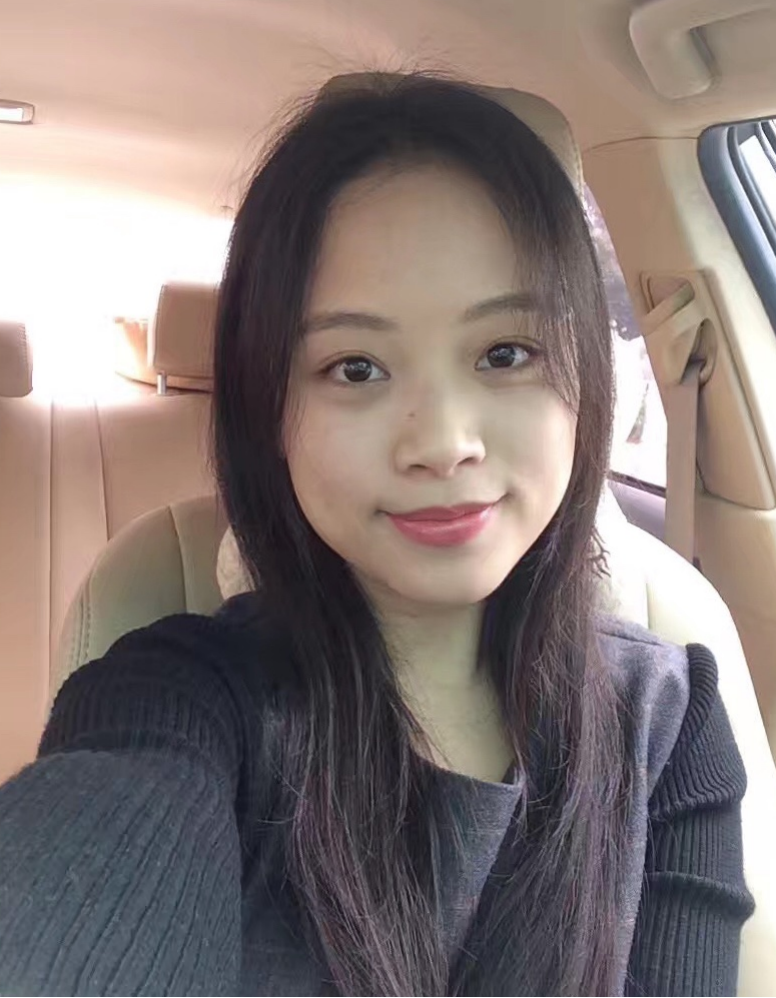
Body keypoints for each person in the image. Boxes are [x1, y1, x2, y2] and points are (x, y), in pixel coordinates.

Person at [0, 73, 754, 997]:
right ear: (269, 412)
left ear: (584, 380)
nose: (443, 442)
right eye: (355, 367)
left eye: (505, 353)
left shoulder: (672, 727)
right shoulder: (177, 697)